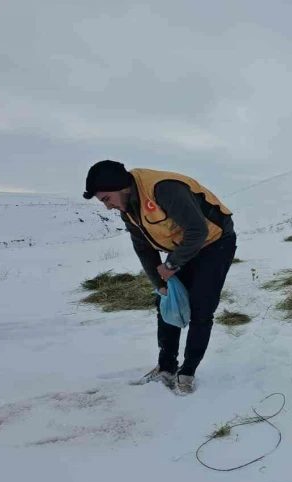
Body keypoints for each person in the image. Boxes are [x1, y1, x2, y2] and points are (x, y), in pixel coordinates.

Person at [82, 161, 237, 394]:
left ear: (120, 187)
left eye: (106, 199)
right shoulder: (128, 209)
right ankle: (166, 367)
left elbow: (198, 230)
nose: (108, 207)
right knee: (166, 302)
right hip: (183, 247)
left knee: (201, 308)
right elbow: (143, 248)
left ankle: (187, 372)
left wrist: (173, 264)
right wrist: (159, 283)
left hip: (215, 243)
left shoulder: (163, 189)